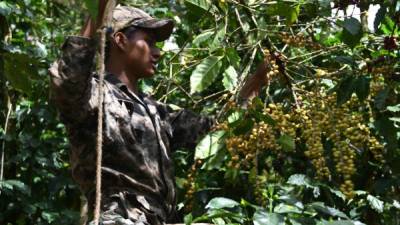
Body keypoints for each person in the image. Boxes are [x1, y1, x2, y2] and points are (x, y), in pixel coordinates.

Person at [49, 1, 270, 224]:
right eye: (149, 42)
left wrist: (255, 84)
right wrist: (99, 10)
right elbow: (68, 82)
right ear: (121, 40)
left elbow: (217, 130)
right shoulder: (95, 96)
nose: (158, 53)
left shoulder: (156, 112)